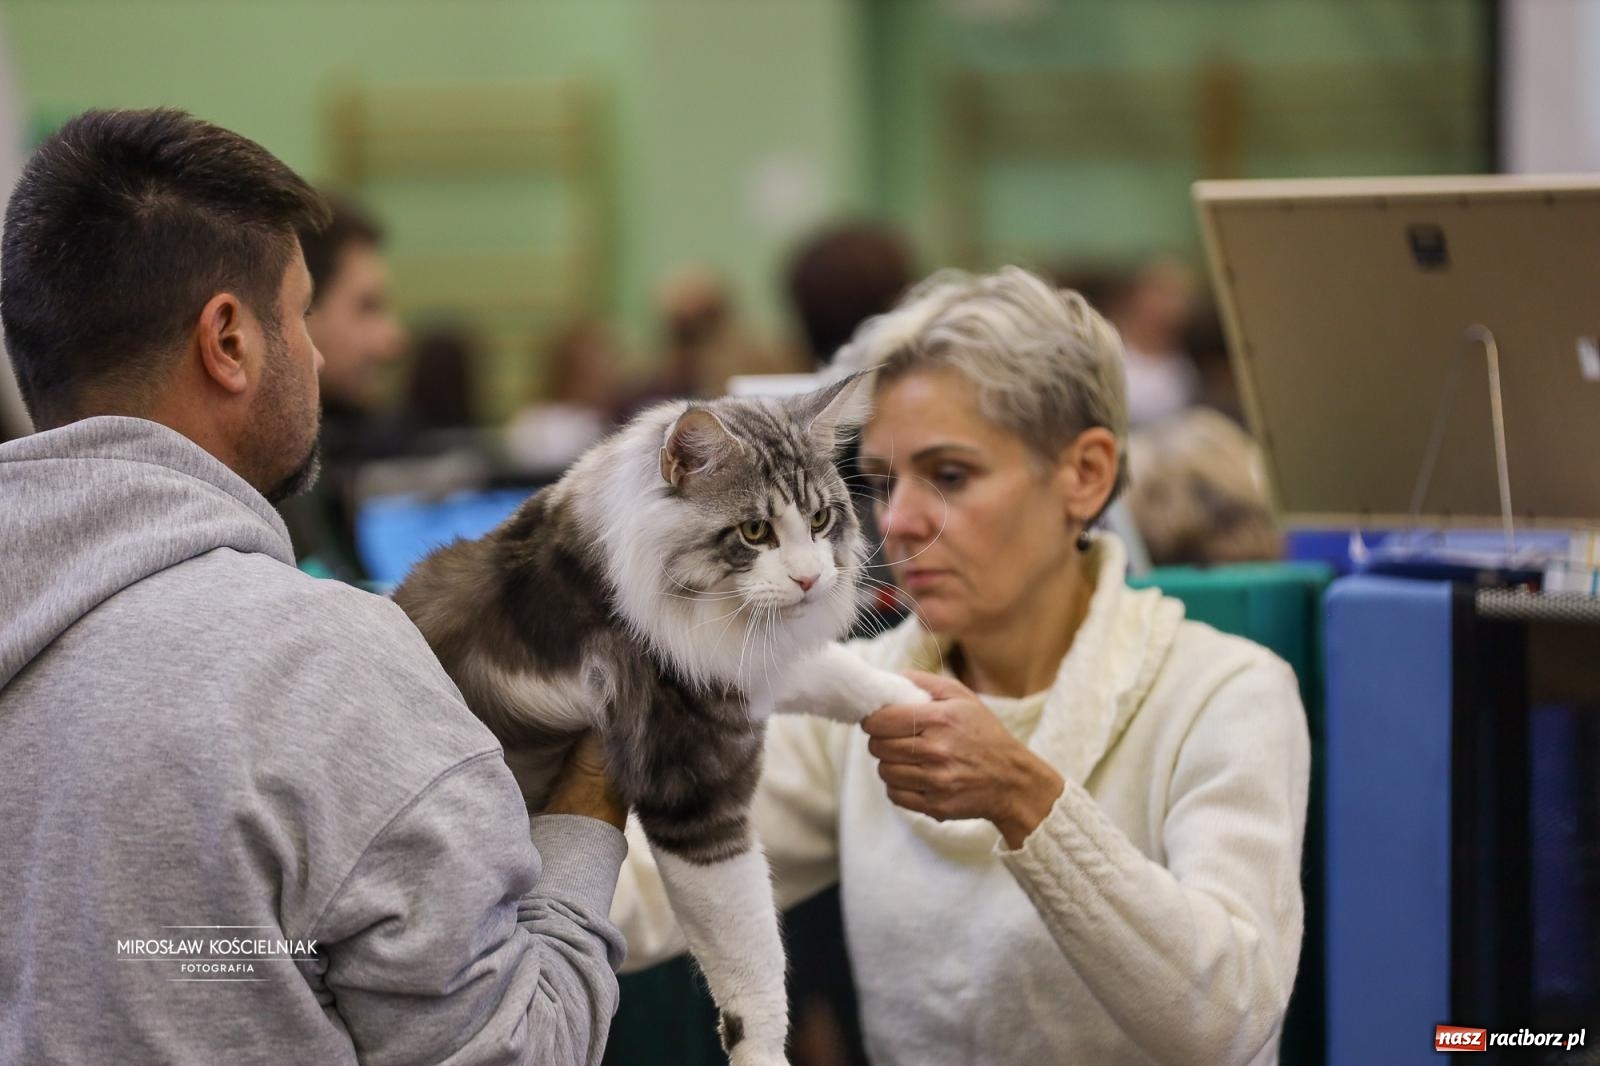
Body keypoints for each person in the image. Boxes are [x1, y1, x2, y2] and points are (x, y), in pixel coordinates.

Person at [0, 109, 627, 1065]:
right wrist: (597, 789)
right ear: (230, 340)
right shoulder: (320, 666)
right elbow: (521, 1050)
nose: (323, 355)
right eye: (299, 313)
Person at [611, 267, 1310, 1064]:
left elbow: (1228, 1019)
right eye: (876, 482)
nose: (898, 522)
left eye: (950, 476)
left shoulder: (1224, 692)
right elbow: (643, 894)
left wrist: (1026, 798)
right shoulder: (861, 696)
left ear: (1084, 475)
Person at [277, 194, 407, 583]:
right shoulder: (271, 496)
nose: (393, 340)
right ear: (299, 309)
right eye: (367, 307)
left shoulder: (324, 468)